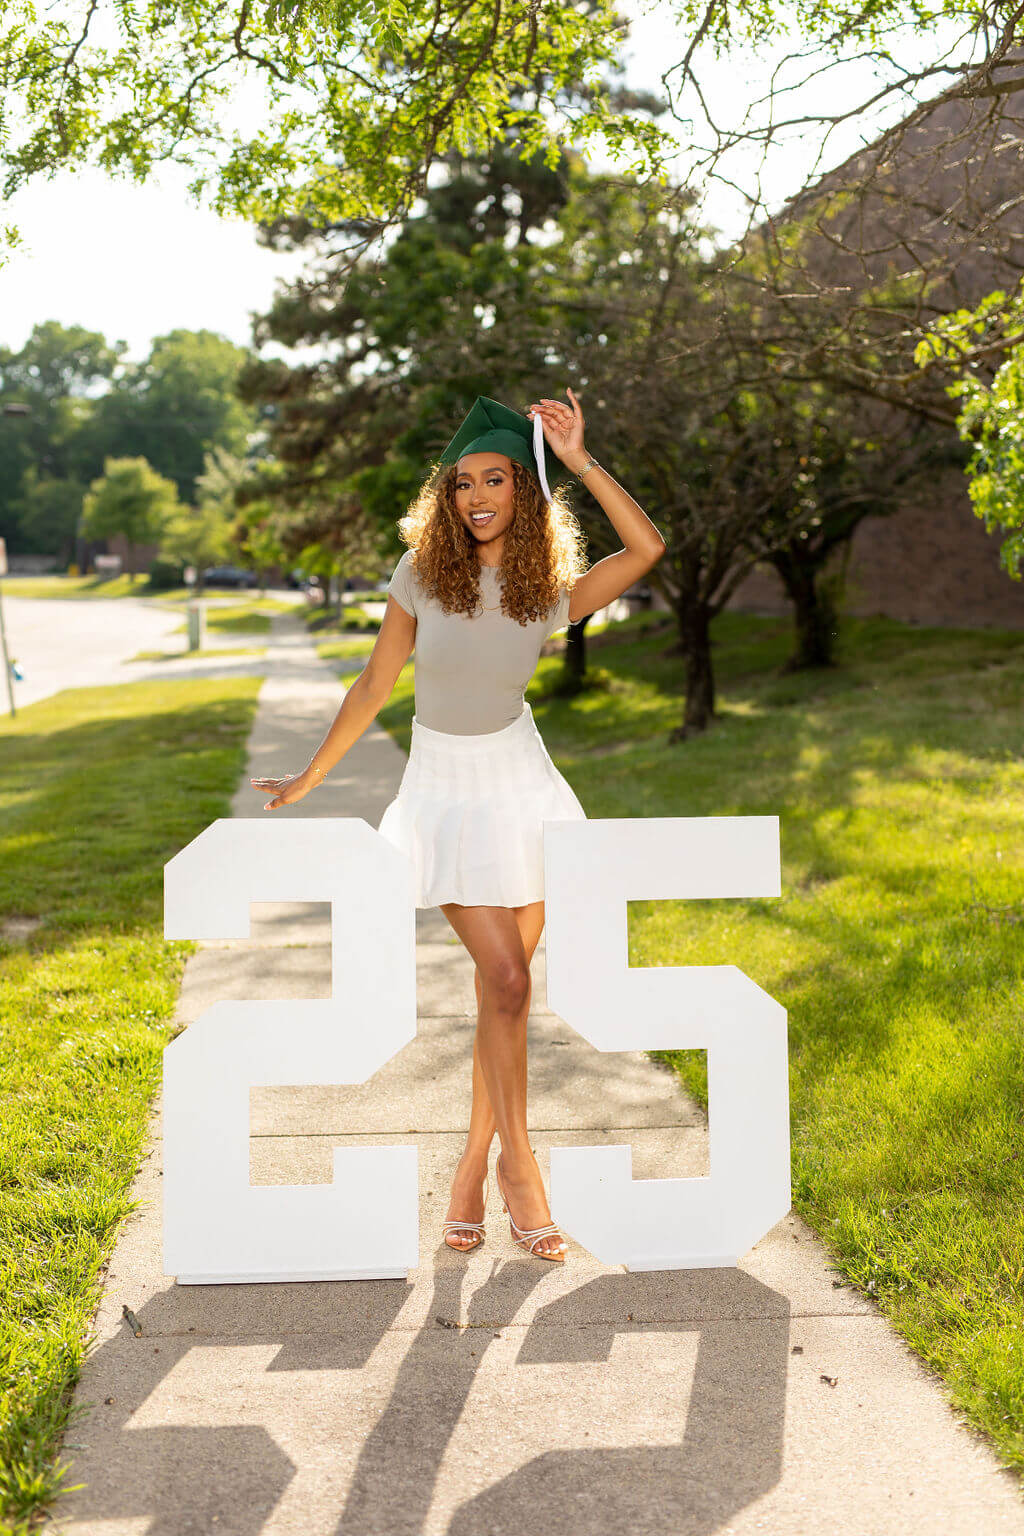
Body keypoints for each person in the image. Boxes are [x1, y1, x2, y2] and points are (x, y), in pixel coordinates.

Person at [251, 387, 666, 1261]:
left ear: (525, 490)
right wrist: (310, 776)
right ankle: (523, 1170)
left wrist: (579, 456)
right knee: (508, 980)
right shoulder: (420, 576)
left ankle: (473, 1169)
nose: (477, 496)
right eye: (462, 483)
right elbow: (373, 687)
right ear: (446, 498)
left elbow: (647, 547)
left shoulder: (544, 589)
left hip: (523, 789)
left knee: (502, 1000)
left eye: (497, 480)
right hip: (443, 792)